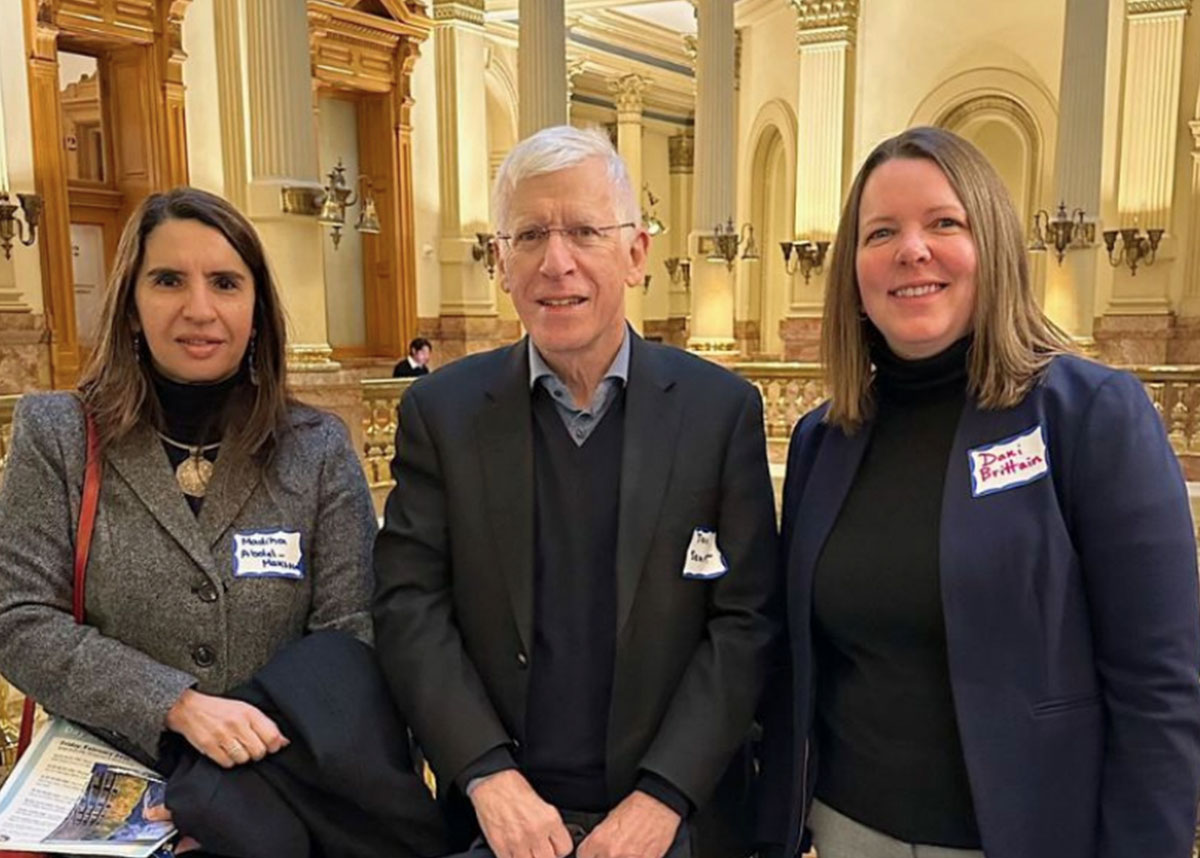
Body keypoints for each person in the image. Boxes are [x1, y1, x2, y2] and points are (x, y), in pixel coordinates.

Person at [756, 125, 1200, 858]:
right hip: (846, 830)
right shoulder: (823, 439)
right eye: (881, 232)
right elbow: (797, 663)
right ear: (853, 270)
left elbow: (1158, 689)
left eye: (944, 223)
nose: (912, 250)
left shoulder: (1089, 416)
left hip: (1028, 834)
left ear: (990, 243)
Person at [0, 187, 445, 858]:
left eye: (226, 283)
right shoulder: (60, 435)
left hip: (283, 806)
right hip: (114, 800)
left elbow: (352, 639)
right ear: (130, 305)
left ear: (257, 309)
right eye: (169, 280)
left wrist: (238, 800)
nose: (199, 309)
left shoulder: (316, 448)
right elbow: (19, 617)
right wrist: (175, 704)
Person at [373, 125, 778, 858]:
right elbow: (410, 608)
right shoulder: (442, 414)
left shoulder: (720, 413)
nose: (556, 263)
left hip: (677, 822)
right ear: (501, 261)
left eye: (585, 231)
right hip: (501, 821)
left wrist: (663, 796)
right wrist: (487, 775)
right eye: (530, 235)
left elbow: (744, 622)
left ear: (635, 254)